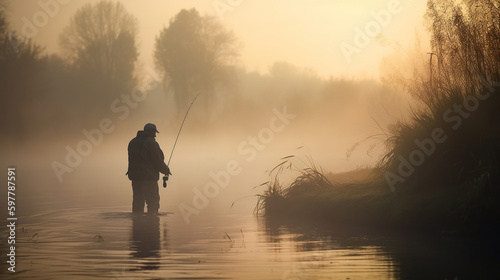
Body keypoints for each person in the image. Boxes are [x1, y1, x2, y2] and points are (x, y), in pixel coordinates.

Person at [127, 123, 171, 215]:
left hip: (135, 178)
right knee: (153, 202)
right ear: (151, 132)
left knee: (137, 203)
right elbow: (157, 160)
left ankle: (137, 225)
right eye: (154, 133)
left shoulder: (132, 142)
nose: (155, 135)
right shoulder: (151, 143)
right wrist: (166, 170)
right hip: (148, 178)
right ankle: (152, 225)